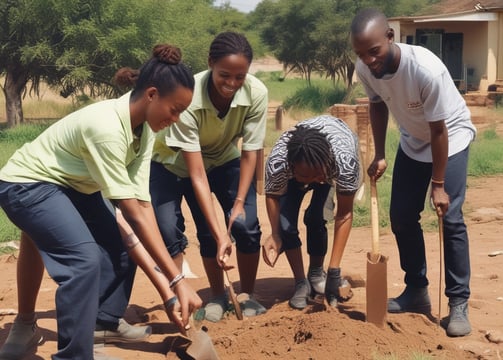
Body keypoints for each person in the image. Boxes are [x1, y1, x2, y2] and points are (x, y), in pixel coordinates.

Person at [0, 44, 202, 360]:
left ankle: (103, 321)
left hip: (73, 187)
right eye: (174, 109)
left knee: (119, 245)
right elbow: (133, 214)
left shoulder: (144, 131)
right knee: (84, 260)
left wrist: (169, 293)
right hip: (28, 185)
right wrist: (176, 280)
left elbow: (142, 208)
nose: (176, 119)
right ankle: (73, 355)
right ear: (151, 95)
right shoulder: (107, 127)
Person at [350, 8, 476, 337]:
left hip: (450, 137)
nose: (368, 59)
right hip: (413, 140)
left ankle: (458, 302)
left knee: (449, 218)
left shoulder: (424, 70)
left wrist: (438, 185)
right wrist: (379, 153)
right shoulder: (365, 67)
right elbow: (377, 104)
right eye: (360, 53)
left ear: (390, 37)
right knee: (402, 216)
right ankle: (417, 291)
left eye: (374, 51)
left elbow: (439, 131)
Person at [150, 31, 268, 322]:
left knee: (247, 225)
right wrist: (219, 235)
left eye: (240, 77)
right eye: (224, 74)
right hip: (176, 163)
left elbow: (250, 152)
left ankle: (246, 294)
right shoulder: (188, 96)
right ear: (210, 64)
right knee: (201, 229)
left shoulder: (256, 93)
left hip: (223, 157)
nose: (231, 83)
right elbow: (197, 173)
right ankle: (216, 296)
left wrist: (239, 202)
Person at [262, 115, 361, 309]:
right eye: (306, 176)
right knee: (285, 225)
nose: (313, 179)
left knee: (317, 216)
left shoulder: (345, 162)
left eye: (317, 175)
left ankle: (317, 272)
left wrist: (334, 271)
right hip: (301, 171)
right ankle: (300, 282)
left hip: (332, 159)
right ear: (291, 167)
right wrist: (275, 234)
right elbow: (272, 195)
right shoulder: (278, 163)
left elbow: (344, 215)